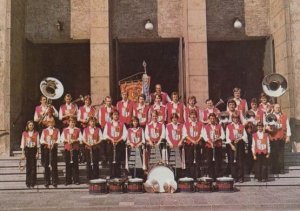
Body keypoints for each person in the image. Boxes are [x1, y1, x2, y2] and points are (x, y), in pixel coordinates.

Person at [266, 104, 291, 174]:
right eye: (276, 107)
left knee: (281, 154)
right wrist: (268, 128)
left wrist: (288, 136)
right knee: (273, 154)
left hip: (281, 137)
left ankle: (281, 169)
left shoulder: (284, 116)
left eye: (279, 107)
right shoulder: (270, 116)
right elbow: (266, 125)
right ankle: (274, 170)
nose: (278, 108)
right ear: (273, 108)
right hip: (273, 137)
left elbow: (288, 126)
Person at [103, 110, 128, 178]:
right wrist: (111, 139)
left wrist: (119, 140)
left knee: (118, 160)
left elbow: (125, 134)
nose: (116, 116)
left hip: (119, 144)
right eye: (114, 114)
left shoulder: (122, 124)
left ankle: (118, 176)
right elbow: (105, 135)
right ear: (112, 116)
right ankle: (112, 175)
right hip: (110, 144)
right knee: (111, 160)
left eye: (117, 114)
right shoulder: (108, 124)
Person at [225, 112, 248, 182]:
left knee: (240, 161)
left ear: (238, 119)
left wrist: (240, 139)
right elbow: (227, 137)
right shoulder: (229, 126)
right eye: (234, 118)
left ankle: (240, 177)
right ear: (232, 119)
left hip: (240, 144)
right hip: (232, 145)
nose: (235, 119)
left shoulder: (241, 126)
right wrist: (231, 145)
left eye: (237, 118)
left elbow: (245, 136)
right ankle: (234, 177)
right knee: (232, 161)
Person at [202, 113, 225, 179]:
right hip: (209, 146)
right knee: (210, 161)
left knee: (218, 161)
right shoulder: (206, 127)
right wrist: (210, 142)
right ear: (209, 119)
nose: (212, 120)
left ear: (215, 119)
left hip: (217, 146)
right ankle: (211, 176)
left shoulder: (219, 126)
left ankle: (217, 176)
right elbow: (205, 137)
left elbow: (223, 136)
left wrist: (217, 139)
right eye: (211, 118)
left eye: (213, 118)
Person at [182, 110, 204, 178]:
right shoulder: (186, 124)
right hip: (189, 144)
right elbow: (185, 135)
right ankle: (190, 176)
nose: (193, 116)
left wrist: (197, 140)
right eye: (192, 115)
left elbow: (202, 134)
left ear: (196, 116)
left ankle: (197, 176)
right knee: (189, 160)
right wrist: (192, 140)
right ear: (189, 116)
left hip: (197, 144)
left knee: (198, 160)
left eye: (194, 115)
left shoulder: (200, 124)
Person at [61, 117, 82, 185]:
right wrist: (67, 140)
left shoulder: (78, 129)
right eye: (71, 122)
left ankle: (76, 180)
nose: (72, 123)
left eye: (73, 122)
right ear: (68, 122)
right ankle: (68, 180)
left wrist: (75, 140)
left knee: (75, 165)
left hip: (75, 149)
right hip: (68, 149)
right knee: (68, 165)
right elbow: (61, 139)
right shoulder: (65, 130)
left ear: (75, 123)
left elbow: (81, 138)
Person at [40, 120, 60, 188]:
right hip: (46, 149)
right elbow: (41, 140)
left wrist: (54, 143)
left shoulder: (57, 130)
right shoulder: (44, 130)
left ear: (54, 123)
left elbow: (58, 139)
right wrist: (46, 143)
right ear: (47, 124)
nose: (51, 124)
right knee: (47, 165)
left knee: (54, 165)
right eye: (49, 123)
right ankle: (47, 181)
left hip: (53, 148)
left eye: (52, 123)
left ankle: (54, 181)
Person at [20, 121, 39, 188]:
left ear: (33, 126)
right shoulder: (24, 133)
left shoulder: (36, 133)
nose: (31, 126)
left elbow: (38, 144)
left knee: (33, 167)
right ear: (27, 126)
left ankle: (33, 182)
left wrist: (37, 153)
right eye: (30, 125)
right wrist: (22, 153)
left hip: (34, 150)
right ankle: (28, 182)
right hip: (27, 150)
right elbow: (22, 144)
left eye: (32, 125)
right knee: (28, 167)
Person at [98, 96, 115, 166]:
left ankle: (110, 159)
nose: (109, 102)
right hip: (103, 128)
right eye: (107, 101)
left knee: (110, 144)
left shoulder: (114, 109)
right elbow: (99, 119)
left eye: (110, 101)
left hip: (111, 128)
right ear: (105, 101)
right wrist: (103, 126)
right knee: (103, 144)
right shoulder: (101, 109)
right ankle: (104, 160)